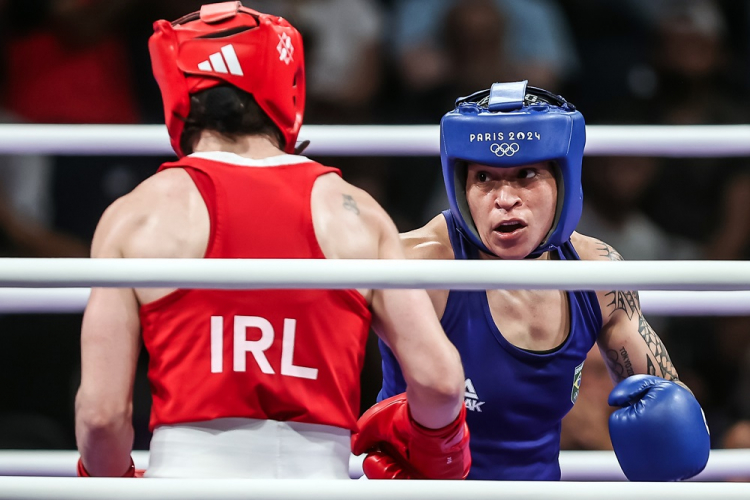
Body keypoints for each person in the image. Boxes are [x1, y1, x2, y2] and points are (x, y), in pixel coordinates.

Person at [74, 2, 469, 479]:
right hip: (319, 481)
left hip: (185, 481)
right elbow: (441, 382)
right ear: (287, 84)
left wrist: (112, 482)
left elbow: (101, 417)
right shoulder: (355, 213)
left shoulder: (137, 215)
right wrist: (436, 454)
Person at [377, 80, 710, 481]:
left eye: (526, 174)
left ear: (564, 181)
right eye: (484, 177)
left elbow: (672, 421)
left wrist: (669, 432)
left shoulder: (596, 275)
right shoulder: (418, 267)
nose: (504, 198)